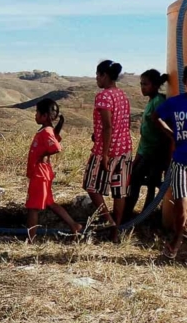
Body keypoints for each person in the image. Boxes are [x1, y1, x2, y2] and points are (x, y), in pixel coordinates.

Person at [82, 60, 133, 243]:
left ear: (104, 75)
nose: (96, 78)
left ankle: (108, 221)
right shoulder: (122, 95)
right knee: (120, 192)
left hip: (107, 150)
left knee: (91, 185)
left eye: (97, 75)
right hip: (125, 149)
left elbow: (108, 127)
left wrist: (103, 153)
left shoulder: (103, 96)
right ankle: (116, 233)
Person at [26, 99, 83, 242]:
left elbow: (56, 148)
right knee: (50, 203)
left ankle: (30, 239)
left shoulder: (45, 131)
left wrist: (42, 156)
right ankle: (73, 225)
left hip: (40, 173)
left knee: (33, 207)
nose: (35, 115)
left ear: (44, 115)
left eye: (37, 113)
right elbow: (55, 140)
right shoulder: (48, 130)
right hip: (41, 172)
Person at [124, 69, 170, 221]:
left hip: (155, 153)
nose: (142, 87)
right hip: (145, 151)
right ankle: (132, 213)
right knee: (137, 180)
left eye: (146, 84)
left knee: (147, 182)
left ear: (156, 85)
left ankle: (143, 215)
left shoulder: (159, 101)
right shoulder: (152, 101)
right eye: (141, 84)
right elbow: (146, 135)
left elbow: (165, 126)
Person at [154, 67, 187, 259]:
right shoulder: (175, 103)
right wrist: (171, 134)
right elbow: (155, 117)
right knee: (180, 204)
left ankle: (177, 242)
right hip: (180, 162)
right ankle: (177, 240)